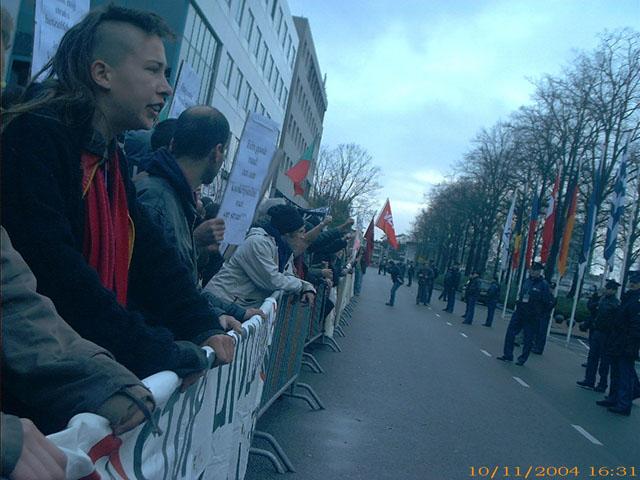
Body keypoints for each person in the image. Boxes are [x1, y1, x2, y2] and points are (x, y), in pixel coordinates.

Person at [1, 5, 234, 380]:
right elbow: (60, 278)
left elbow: (149, 253)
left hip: (82, 370)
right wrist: (155, 352)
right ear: (102, 73)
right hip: (37, 385)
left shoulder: (111, 156)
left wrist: (200, 321)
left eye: (166, 73)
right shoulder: (34, 139)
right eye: (152, 70)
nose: (166, 87)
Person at [135, 106, 264, 329]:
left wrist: (232, 312)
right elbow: (158, 287)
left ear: (174, 143)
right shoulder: (157, 199)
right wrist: (209, 320)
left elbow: (178, 280)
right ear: (217, 152)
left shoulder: (173, 198)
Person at [205, 204, 316, 309]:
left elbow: (287, 275)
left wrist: (305, 287)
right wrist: (300, 286)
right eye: (300, 232)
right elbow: (272, 280)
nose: (303, 237)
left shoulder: (284, 248)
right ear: (287, 233)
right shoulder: (258, 243)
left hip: (236, 304)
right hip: (219, 302)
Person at [596, 271, 640, 416]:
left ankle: (623, 403)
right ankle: (613, 398)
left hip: (627, 343)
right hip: (617, 341)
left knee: (624, 374)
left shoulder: (637, 300)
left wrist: (630, 343)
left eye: (636, 281)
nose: (632, 283)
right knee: (615, 372)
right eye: (632, 280)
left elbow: (636, 325)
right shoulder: (629, 297)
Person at [497, 262, 553, 366]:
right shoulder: (527, 281)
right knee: (510, 333)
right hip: (520, 312)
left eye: (535, 270)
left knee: (528, 339)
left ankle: (522, 359)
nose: (532, 272)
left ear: (539, 272)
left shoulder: (543, 285)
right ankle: (508, 355)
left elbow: (548, 302)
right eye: (532, 270)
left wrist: (539, 314)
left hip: (532, 316)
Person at [576, 279, 619, 392]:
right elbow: (591, 308)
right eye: (606, 288)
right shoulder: (602, 299)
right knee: (592, 358)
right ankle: (589, 380)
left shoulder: (615, 303)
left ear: (614, 291)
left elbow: (611, 319)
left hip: (607, 334)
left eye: (609, 289)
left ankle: (602, 384)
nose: (606, 290)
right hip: (597, 331)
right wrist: (595, 296)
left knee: (604, 361)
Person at [532, 280, 557, 353]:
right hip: (538, 315)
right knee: (536, 331)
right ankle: (534, 345)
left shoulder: (553, 298)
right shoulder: (543, 295)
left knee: (542, 333)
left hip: (545, 317)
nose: (550, 289)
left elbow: (548, 306)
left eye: (552, 288)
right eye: (550, 287)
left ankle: (539, 348)